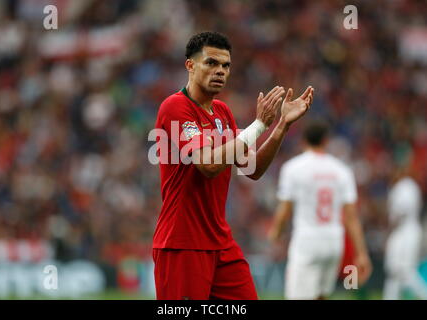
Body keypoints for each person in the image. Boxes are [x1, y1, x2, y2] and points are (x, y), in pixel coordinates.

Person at [152, 31, 314, 300]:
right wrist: (259, 124)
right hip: (183, 244)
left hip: (220, 243)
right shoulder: (175, 107)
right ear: (190, 65)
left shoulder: (223, 112)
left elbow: (252, 169)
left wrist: (280, 126)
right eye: (211, 63)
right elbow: (208, 165)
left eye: (226, 66)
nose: (220, 71)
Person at [268, 121, 372, 299]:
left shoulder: (293, 168)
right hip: (333, 241)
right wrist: (361, 253)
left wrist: (276, 232)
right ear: (326, 141)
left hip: (307, 240)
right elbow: (351, 217)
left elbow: (285, 209)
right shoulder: (342, 170)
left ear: (303, 141)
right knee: (321, 295)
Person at [383, 169, 427, 300]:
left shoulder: (404, 186)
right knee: (394, 272)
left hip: (406, 232)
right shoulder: (410, 185)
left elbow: (401, 211)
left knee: (404, 272)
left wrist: (390, 228)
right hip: (406, 231)